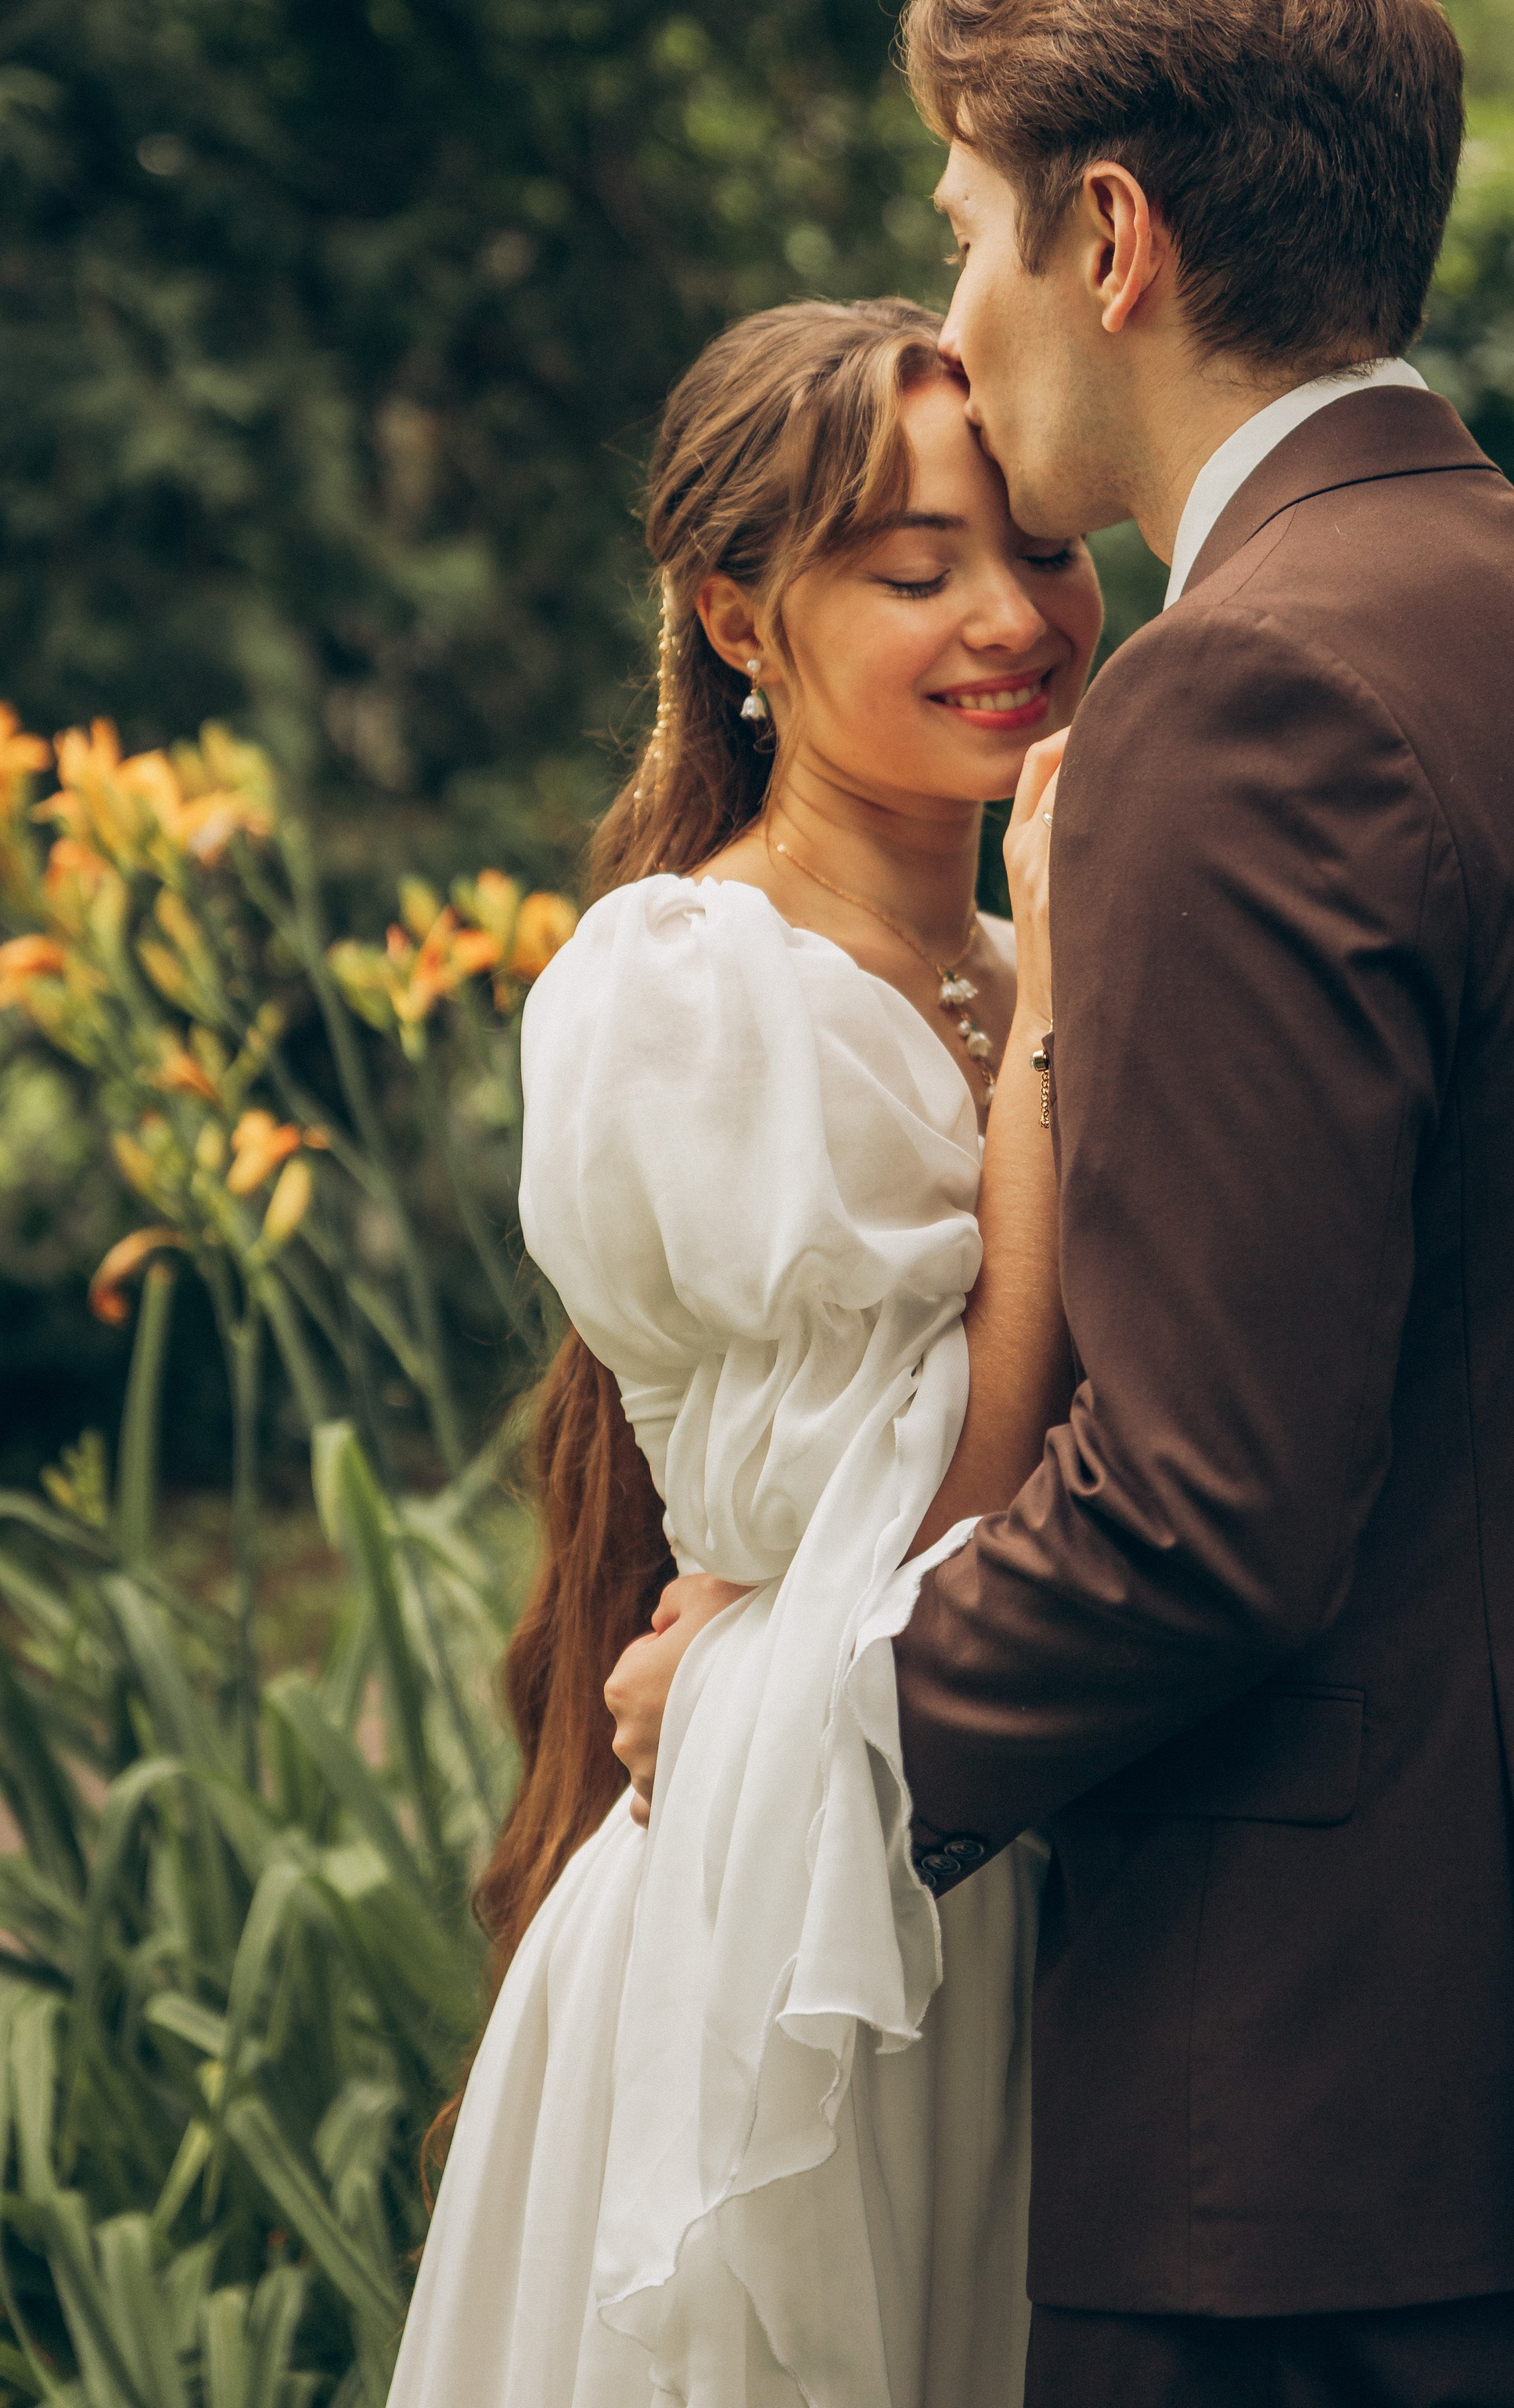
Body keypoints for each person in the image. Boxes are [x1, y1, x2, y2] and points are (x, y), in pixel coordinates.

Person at [611, 0, 1514, 2408]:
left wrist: (773, 1726)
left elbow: (1207, 1518)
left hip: (1299, 2116)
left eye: (962, 231)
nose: (955, 315)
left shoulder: (1244, 695)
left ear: (1109, 237)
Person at [386, 297, 1102, 2408]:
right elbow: (949, 1508)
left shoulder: (1020, 954)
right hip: (794, 1939)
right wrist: (1065, 1011)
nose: (1010, 618)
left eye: (1039, 546)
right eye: (914, 572)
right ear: (734, 620)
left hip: (1014, 1878)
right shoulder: (692, 987)